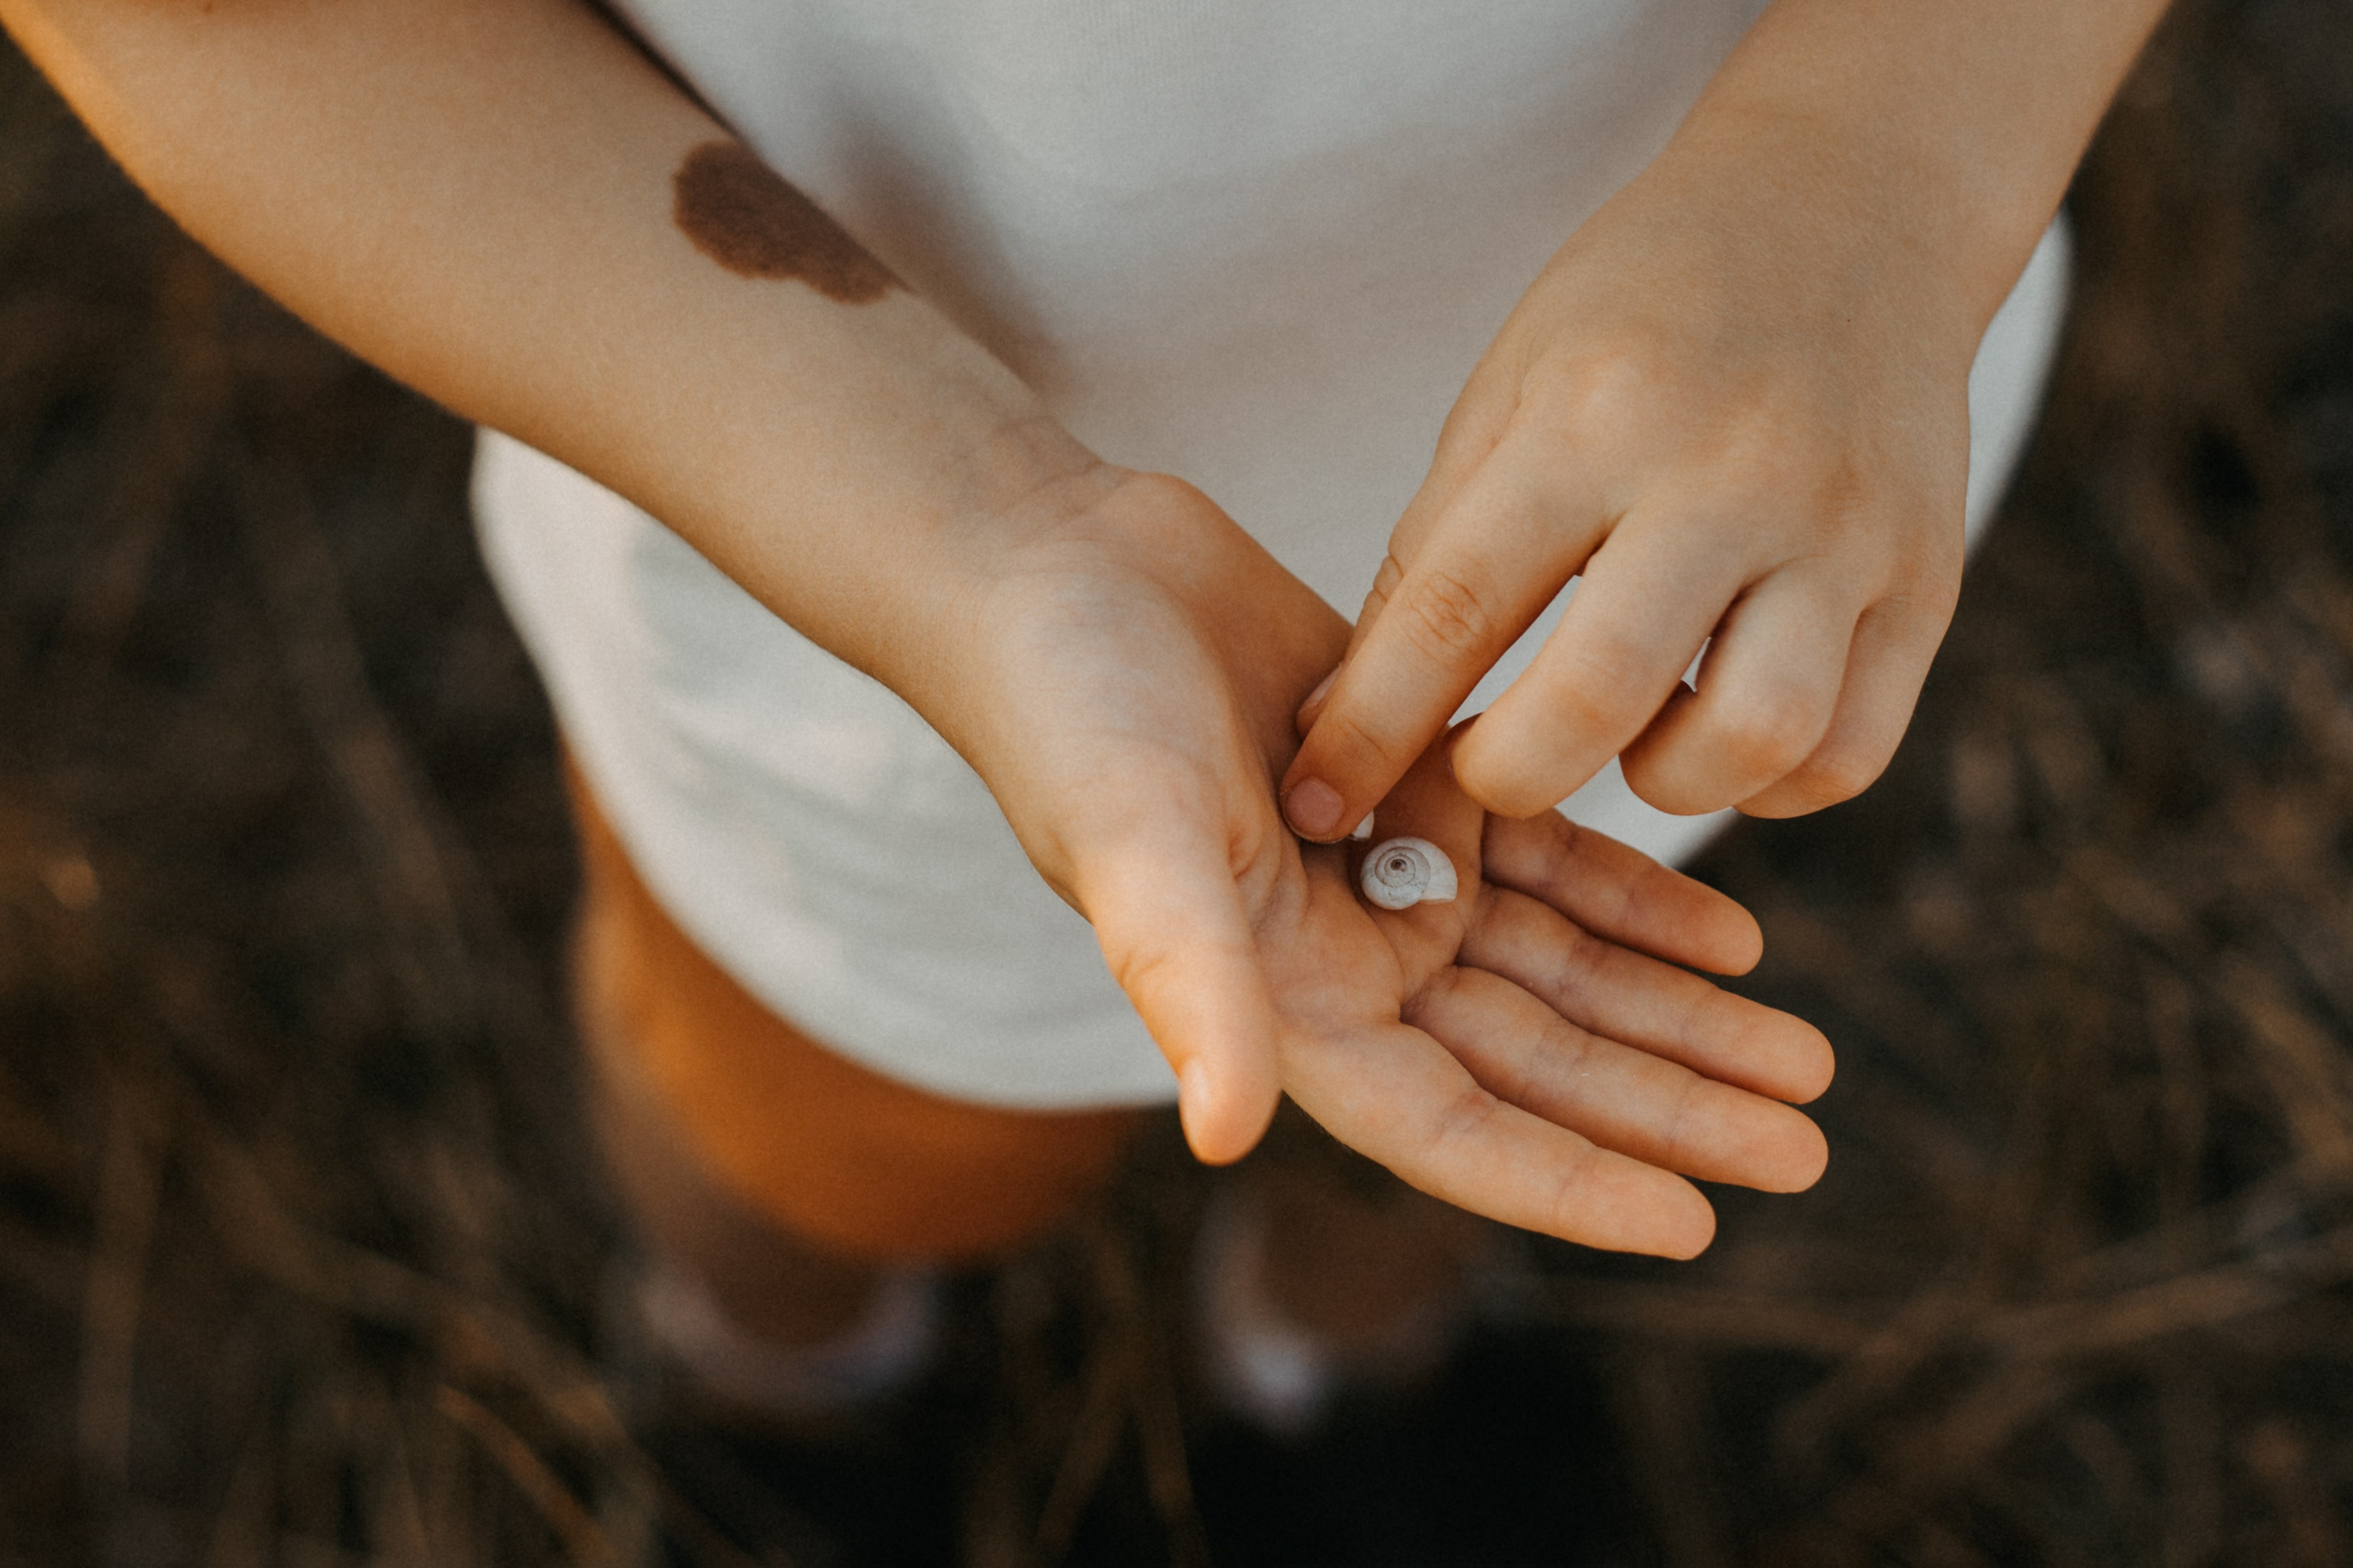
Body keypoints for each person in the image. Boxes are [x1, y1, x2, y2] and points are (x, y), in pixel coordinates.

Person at [3, 0, 2165, 1419]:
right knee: (807, 1128)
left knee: (1486, 1071)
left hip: (1712, 530)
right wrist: (977, 536)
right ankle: (776, 1364)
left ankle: (1340, 1349)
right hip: (839, 559)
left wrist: (1878, 164)